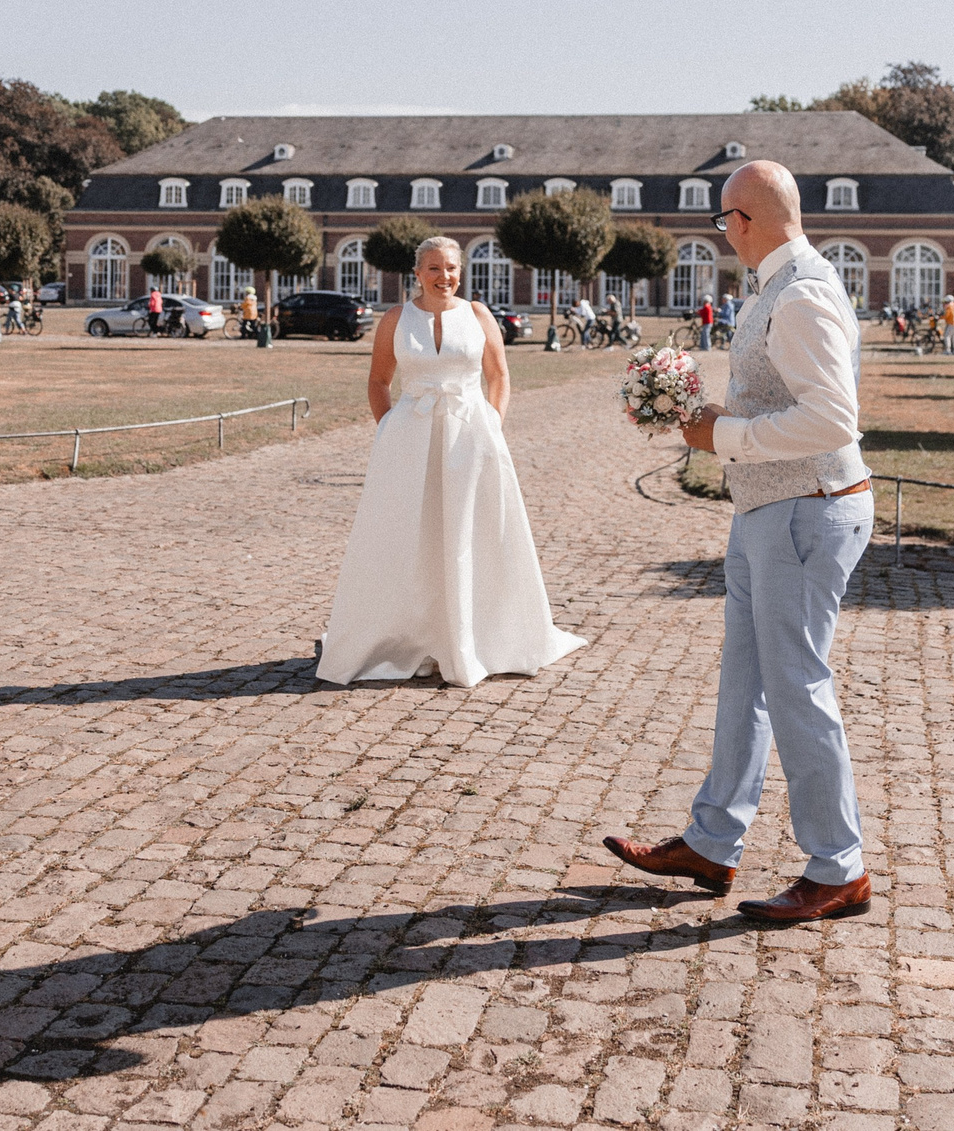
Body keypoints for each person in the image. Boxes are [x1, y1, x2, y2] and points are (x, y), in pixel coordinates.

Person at [603, 161, 876, 925]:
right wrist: (727, 416)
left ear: (746, 219)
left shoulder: (801, 293)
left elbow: (833, 420)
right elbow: (790, 398)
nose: (723, 234)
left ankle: (838, 866)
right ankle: (714, 839)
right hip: (771, 508)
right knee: (746, 682)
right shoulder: (780, 285)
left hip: (805, 508)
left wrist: (722, 433)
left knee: (797, 687)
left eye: (725, 220)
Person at [316, 237, 588, 687]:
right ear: (417, 273)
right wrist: (389, 429)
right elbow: (378, 380)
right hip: (409, 440)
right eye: (434, 269)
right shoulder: (395, 319)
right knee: (409, 533)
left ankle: (478, 633)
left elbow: (499, 375)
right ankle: (405, 635)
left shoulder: (478, 315)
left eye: (452, 269)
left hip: (471, 436)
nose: (445, 277)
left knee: (472, 529)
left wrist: (492, 425)